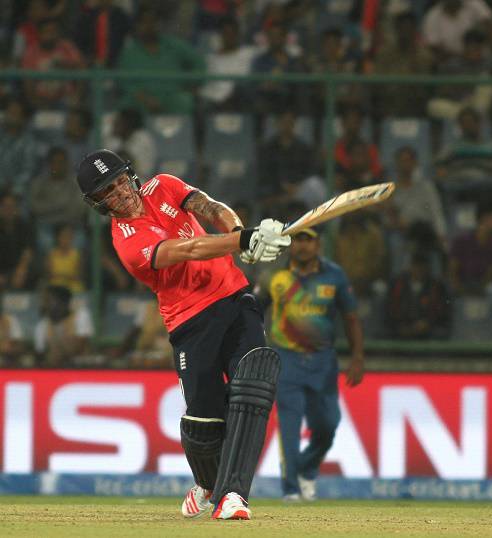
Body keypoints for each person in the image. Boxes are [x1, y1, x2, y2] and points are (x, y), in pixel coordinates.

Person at [75, 148, 291, 520]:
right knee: (204, 423)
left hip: (235, 299)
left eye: (120, 181)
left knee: (252, 387)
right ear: (97, 204)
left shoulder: (164, 185)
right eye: (107, 191)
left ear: (131, 176)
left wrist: (239, 231)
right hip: (190, 325)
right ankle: (208, 484)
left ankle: (233, 496)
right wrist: (242, 242)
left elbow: (209, 207)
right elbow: (189, 249)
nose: (120, 193)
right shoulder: (126, 242)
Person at [264, 227, 364, 502]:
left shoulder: (334, 275)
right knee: (289, 425)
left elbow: (351, 317)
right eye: (298, 240)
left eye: (308, 240)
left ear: (318, 244)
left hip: (323, 361)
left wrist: (357, 357)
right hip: (286, 358)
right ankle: (291, 489)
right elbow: (253, 308)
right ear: (290, 243)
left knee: (328, 424)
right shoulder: (277, 276)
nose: (303, 246)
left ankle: (306, 469)